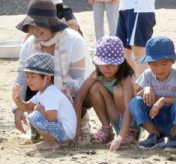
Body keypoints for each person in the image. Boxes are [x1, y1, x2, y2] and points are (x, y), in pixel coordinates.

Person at [13, 0, 93, 141]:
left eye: (39, 24)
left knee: (83, 91)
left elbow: (79, 77)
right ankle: (41, 125)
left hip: (71, 93)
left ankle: (80, 118)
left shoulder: (74, 40)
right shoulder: (29, 45)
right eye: (31, 26)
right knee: (30, 79)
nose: (35, 30)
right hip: (43, 92)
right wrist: (18, 108)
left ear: (51, 22)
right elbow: (21, 79)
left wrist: (66, 92)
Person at [129, 36, 176, 152]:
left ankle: (175, 137)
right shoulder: (147, 75)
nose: (159, 69)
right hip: (155, 119)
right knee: (134, 103)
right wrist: (146, 89)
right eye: (154, 64)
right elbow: (136, 99)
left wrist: (164, 100)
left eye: (164, 64)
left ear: (172, 61)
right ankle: (154, 135)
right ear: (148, 63)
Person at [74, 36, 138, 151]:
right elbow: (79, 96)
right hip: (115, 114)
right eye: (102, 64)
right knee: (95, 87)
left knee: (118, 90)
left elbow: (129, 107)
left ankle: (130, 132)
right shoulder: (96, 74)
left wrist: (121, 136)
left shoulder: (126, 77)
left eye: (112, 64)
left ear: (120, 63)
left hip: (130, 120)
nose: (106, 68)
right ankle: (106, 128)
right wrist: (77, 127)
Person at [12, 53, 77, 151]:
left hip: (65, 133)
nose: (28, 80)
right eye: (27, 76)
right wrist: (17, 100)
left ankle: (51, 142)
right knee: (33, 113)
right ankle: (50, 141)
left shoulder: (51, 93)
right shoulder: (42, 92)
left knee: (34, 116)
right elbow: (26, 107)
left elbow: (51, 117)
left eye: (33, 77)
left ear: (48, 78)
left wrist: (38, 108)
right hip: (63, 131)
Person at [116, 0, 156, 76]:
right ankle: (137, 82)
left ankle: (144, 85)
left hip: (140, 8)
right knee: (123, 53)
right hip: (124, 8)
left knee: (139, 53)